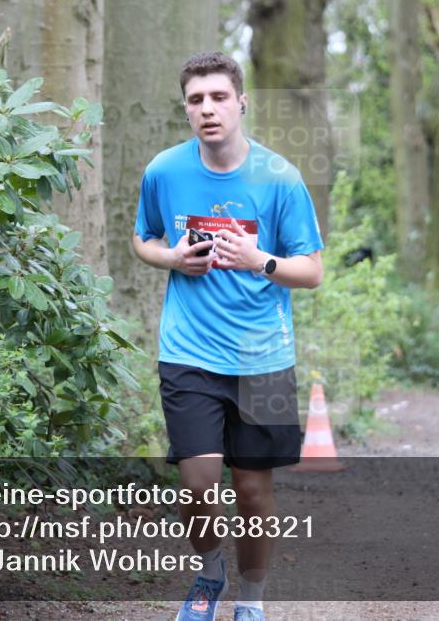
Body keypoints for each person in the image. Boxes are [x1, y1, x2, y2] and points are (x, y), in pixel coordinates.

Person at [132, 51, 324, 621]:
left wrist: (259, 260)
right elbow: (142, 237)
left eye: (219, 97)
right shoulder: (164, 171)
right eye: (196, 100)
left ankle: (252, 601)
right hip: (188, 352)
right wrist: (172, 257)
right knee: (197, 487)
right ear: (186, 110)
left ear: (241, 102)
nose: (208, 109)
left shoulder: (279, 177)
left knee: (253, 492)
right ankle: (209, 572)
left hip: (261, 355)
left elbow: (311, 270)